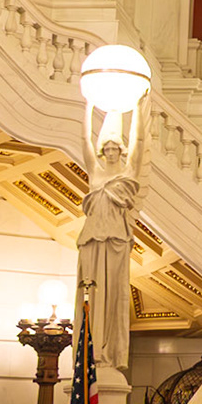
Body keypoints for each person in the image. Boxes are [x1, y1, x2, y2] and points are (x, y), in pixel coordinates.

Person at [78, 99, 146, 371]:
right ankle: (91, 351)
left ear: (121, 148)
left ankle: (111, 352)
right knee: (92, 292)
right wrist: (88, 105)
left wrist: (138, 109)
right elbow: (84, 138)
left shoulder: (129, 170)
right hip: (92, 238)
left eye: (114, 146)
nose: (110, 150)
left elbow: (140, 142)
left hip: (117, 239)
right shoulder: (95, 170)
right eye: (106, 147)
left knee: (114, 294)